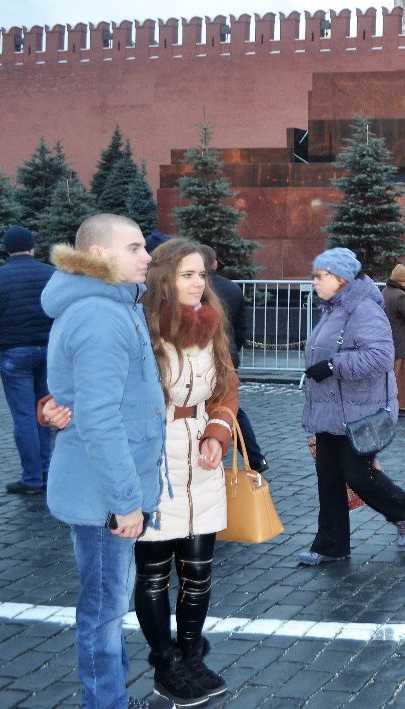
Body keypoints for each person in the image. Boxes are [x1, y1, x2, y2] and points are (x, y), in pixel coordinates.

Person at [41, 213, 165, 709]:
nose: (147, 256)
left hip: (106, 488)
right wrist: (125, 502)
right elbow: (98, 418)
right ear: (98, 256)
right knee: (104, 608)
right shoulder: (100, 313)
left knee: (108, 604)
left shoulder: (117, 305)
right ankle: (106, 703)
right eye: (134, 248)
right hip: (103, 495)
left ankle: (111, 696)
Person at [133, 239, 240, 704]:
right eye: (187, 275)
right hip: (155, 455)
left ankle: (192, 653)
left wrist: (217, 434)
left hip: (201, 459)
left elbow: (227, 387)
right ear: (164, 278)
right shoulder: (141, 327)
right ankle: (166, 662)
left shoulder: (212, 322)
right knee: (155, 573)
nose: (198, 283)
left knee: (198, 570)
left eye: (202, 275)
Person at [298, 247, 405, 565]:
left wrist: (332, 366)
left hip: (359, 411)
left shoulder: (364, 309)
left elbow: (380, 357)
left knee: (357, 473)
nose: (314, 281)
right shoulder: (332, 308)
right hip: (329, 410)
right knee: (328, 478)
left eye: (320, 276)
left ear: (340, 278)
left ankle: (404, 512)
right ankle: (331, 546)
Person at [0, 225, 56, 495]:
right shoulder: (50, 273)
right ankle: (47, 471)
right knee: (45, 412)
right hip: (48, 351)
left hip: (15, 353)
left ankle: (31, 479)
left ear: (7, 250)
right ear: (32, 247)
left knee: (23, 417)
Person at [198, 244, 268, 473]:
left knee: (224, 406)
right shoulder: (233, 289)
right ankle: (255, 457)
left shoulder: (201, 289)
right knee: (230, 407)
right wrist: (233, 353)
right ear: (215, 263)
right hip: (228, 354)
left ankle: (248, 455)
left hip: (211, 354)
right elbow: (241, 329)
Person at [383, 263, 405, 416]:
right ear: (403, 281)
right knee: (403, 376)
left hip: (389, 339)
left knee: (393, 373)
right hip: (402, 341)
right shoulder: (401, 296)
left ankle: (391, 402)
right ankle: (404, 404)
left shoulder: (384, 292)